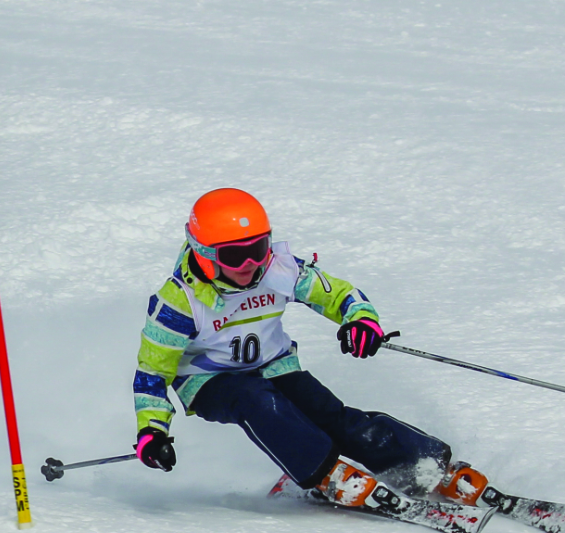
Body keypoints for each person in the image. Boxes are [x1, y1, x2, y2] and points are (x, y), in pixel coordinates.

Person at [128, 187, 489, 507]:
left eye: (258, 248)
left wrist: (360, 320)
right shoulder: (178, 303)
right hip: (208, 380)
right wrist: (152, 431)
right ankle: (324, 472)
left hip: (274, 364)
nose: (251, 264)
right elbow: (152, 375)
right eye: (236, 257)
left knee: (330, 415)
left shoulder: (278, 269)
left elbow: (337, 295)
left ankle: (421, 466)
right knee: (256, 400)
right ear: (205, 254)